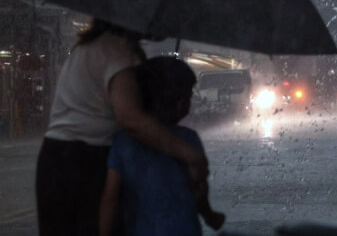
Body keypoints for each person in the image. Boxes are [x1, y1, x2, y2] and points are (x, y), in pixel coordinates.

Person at [35, 19, 208, 236]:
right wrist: (190, 154)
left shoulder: (91, 47)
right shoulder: (118, 51)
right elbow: (131, 119)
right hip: (86, 160)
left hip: (56, 158)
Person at [99, 56, 225, 236]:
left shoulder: (123, 142)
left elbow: (110, 198)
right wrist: (209, 216)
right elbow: (199, 192)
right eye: (189, 95)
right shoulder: (189, 140)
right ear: (181, 102)